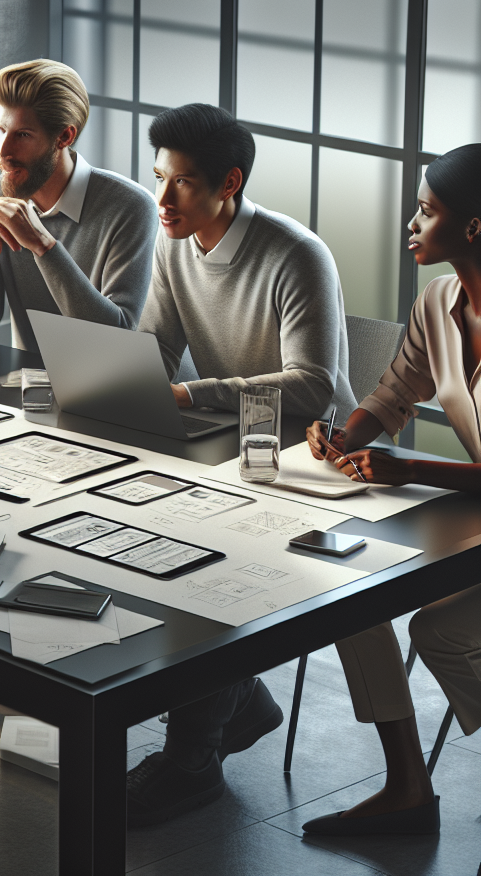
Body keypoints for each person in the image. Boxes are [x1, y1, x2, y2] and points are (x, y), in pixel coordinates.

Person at [128, 103, 357, 826]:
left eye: (182, 184)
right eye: (158, 178)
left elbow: (313, 384)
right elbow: (157, 347)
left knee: (207, 561)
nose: (161, 200)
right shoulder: (174, 241)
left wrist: (193, 389)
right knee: (135, 530)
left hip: (313, 457)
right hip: (231, 441)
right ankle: (237, 701)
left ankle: (193, 760)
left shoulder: (295, 253)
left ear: (230, 182)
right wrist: (123, 384)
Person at [301, 143, 481, 836]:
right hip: (471, 514)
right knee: (354, 597)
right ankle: (407, 786)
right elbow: (394, 393)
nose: (411, 222)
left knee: (440, 629)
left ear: (473, 229)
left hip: (465, 508)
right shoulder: (440, 300)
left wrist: (413, 471)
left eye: (427, 211)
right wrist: (350, 434)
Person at [0, 59, 157, 353]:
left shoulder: (132, 208)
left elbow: (116, 342)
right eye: (1, 129)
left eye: (22, 135)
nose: (3, 151)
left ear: (64, 136)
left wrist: (43, 244)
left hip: (137, 391)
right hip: (35, 388)